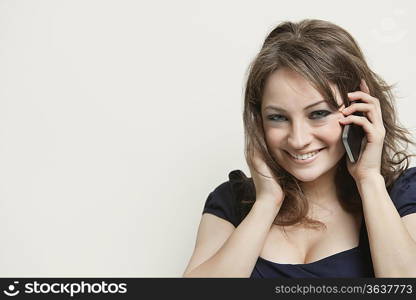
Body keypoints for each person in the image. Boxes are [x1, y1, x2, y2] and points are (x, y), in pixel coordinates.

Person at [182, 19, 416, 278]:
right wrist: (267, 202)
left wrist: (369, 179)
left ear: (360, 112)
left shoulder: (400, 195)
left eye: (318, 113)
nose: (298, 139)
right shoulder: (232, 201)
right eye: (278, 117)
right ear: (258, 121)